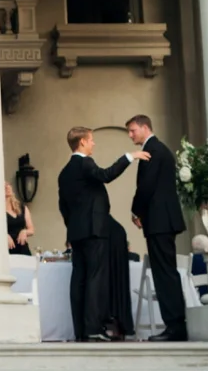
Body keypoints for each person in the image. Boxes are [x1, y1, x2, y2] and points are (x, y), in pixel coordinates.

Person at [58, 127, 150, 343]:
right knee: (94, 277)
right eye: (91, 140)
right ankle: (92, 329)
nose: (94, 144)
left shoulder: (64, 172)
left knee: (79, 278)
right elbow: (106, 175)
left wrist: (72, 228)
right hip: (94, 230)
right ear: (81, 142)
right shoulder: (85, 163)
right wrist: (129, 157)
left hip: (77, 232)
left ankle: (80, 330)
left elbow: (63, 205)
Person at [126, 114, 189, 342]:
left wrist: (135, 211)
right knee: (166, 272)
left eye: (133, 130)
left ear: (145, 127)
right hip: (162, 220)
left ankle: (175, 327)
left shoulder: (152, 150)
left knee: (164, 274)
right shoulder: (158, 148)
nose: (130, 135)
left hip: (159, 221)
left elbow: (147, 186)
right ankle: (175, 325)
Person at [5, 181, 34, 255]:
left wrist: (24, 231)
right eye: (4, 186)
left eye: (8, 185)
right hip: (7, 250)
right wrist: (4, 235)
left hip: (23, 249)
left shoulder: (22, 207)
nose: (7, 187)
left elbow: (31, 229)